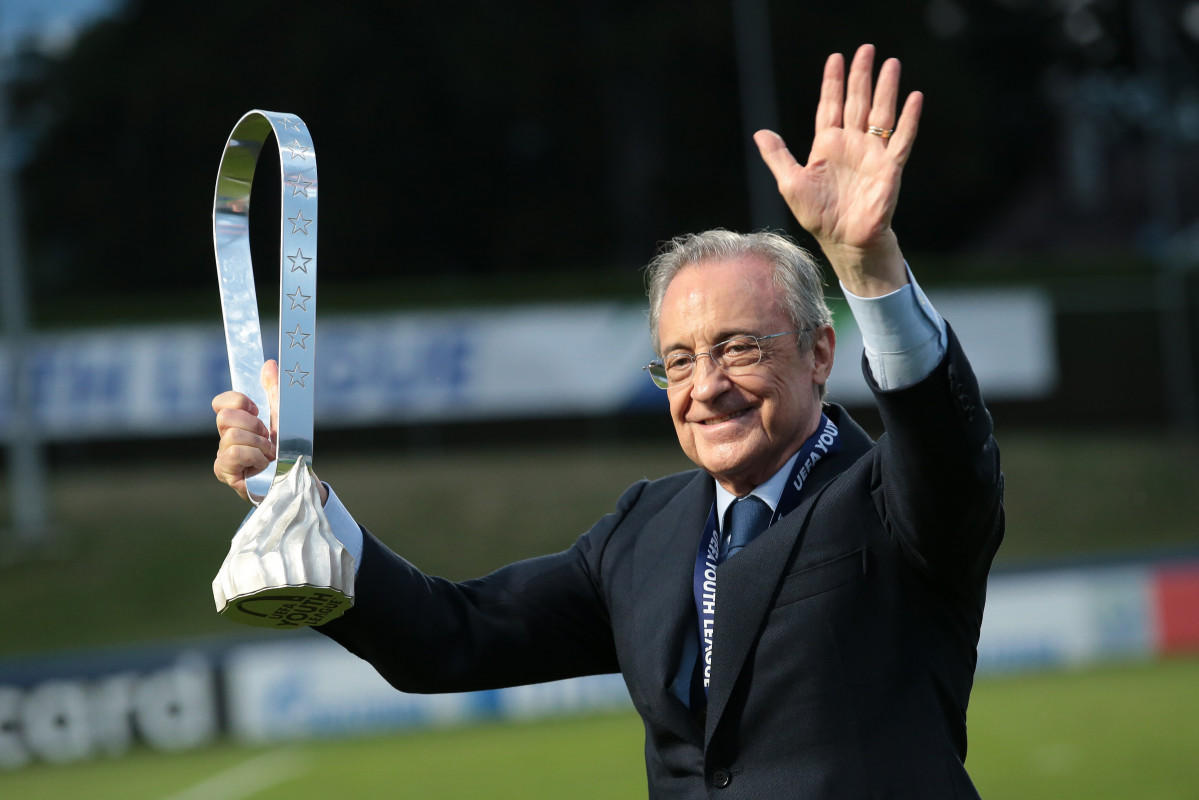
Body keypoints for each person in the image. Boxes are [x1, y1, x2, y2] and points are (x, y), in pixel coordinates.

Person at [213, 44, 1003, 798]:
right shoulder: (642, 531)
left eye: (737, 348)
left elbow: (944, 440)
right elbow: (451, 635)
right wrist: (299, 500)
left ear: (819, 350)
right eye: (680, 361)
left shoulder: (897, 503)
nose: (708, 387)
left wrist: (867, 267)